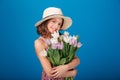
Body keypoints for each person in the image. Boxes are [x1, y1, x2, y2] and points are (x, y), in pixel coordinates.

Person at [34, 7, 80, 80]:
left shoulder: (62, 38)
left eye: (59, 24)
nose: (56, 26)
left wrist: (66, 67)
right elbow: (50, 73)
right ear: (45, 22)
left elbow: (77, 60)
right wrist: (73, 73)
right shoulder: (40, 43)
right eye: (53, 21)